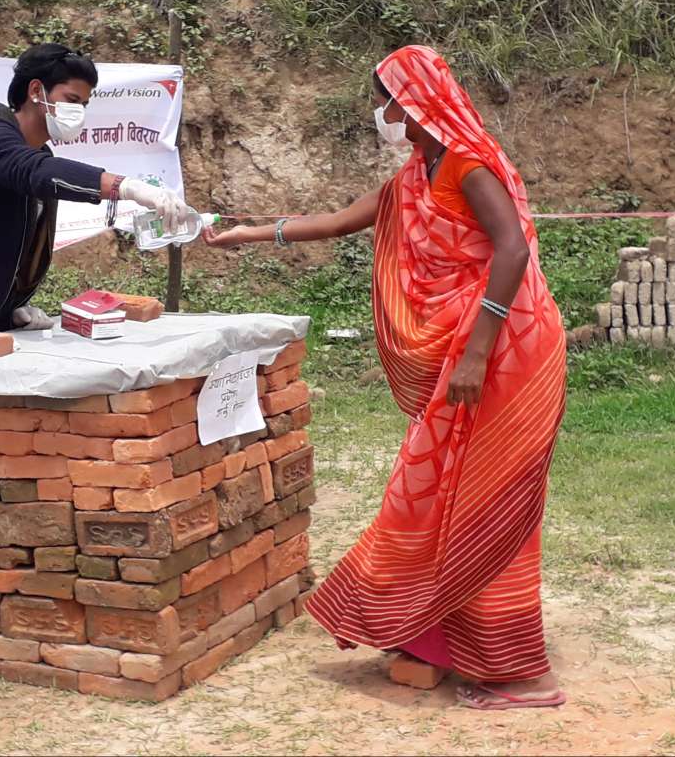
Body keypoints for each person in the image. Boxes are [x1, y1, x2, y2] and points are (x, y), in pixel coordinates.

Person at [203, 45, 568, 710]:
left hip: (506, 346)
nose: (379, 112)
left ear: (413, 101)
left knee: (484, 495)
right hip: (473, 347)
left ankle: (519, 673)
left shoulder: (467, 163)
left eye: (383, 100)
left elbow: (512, 248)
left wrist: (477, 351)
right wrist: (252, 233)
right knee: (439, 493)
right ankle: (438, 637)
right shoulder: (414, 175)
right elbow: (341, 220)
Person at [0, 43, 187, 657]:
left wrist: (14, 301)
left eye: (84, 103)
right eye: (72, 100)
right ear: (36, 93)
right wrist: (125, 187)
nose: (78, 112)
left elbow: (22, 228)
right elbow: (33, 177)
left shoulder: (35, 153)